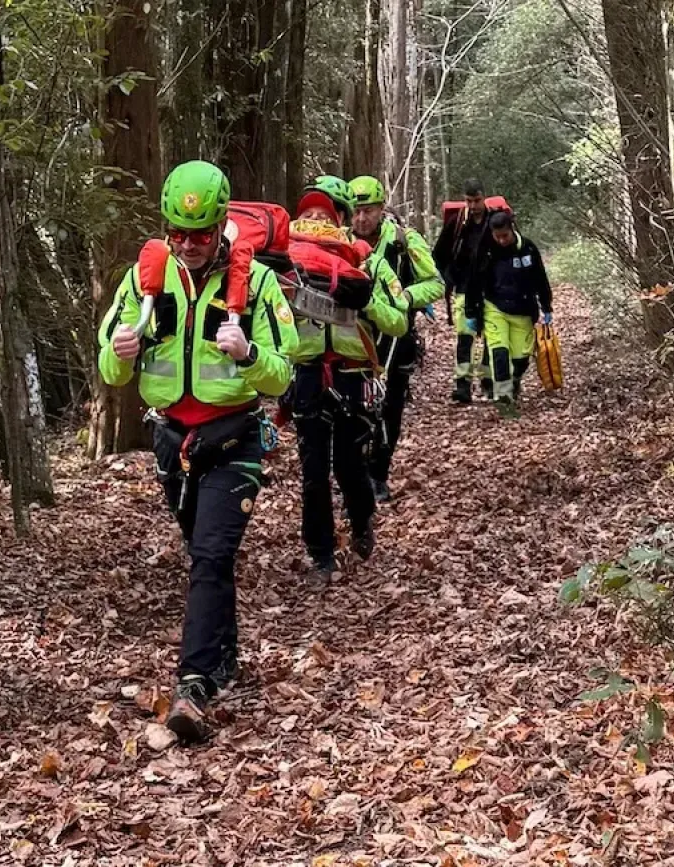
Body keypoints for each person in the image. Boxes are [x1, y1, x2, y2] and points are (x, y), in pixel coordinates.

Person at [98, 160, 299, 743]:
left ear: (219, 229)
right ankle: (225, 656)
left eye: (201, 234)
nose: (188, 245)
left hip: (234, 439)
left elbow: (283, 377)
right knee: (203, 554)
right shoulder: (143, 281)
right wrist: (122, 348)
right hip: (171, 442)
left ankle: (193, 685)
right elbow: (111, 370)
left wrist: (248, 355)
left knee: (210, 557)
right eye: (178, 234)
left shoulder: (256, 284)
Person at [289, 177, 407, 584]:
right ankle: (320, 554)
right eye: (308, 213)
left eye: (325, 213)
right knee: (314, 470)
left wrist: (364, 296)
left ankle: (361, 523)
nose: (316, 219)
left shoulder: (368, 260)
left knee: (350, 466)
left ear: (340, 217)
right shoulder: (287, 264)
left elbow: (398, 319)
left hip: (354, 376)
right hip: (306, 374)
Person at [348, 175, 444, 503]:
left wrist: (404, 296)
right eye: (356, 211)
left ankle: (378, 473)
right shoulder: (340, 242)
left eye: (368, 210)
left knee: (389, 407)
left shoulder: (404, 240)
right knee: (353, 407)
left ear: (381, 208)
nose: (362, 218)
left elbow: (435, 283)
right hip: (353, 340)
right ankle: (354, 470)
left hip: (395, 340)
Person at [466, 210, 553, 418]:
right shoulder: (486, 250)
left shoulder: (528, 249)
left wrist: (546, 306)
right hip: (494, 308)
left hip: (523, 311)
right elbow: (474, 281)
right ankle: (503, 398)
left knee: (521, 358)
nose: (501, 240)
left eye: (505, 235)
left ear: (512, 229)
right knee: (499, 353)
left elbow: (540, 278)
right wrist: (471, 311)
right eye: (497, 236)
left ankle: (514, 383)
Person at [434, 178, 495, 404]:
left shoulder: (495, 221)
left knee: (491, 338)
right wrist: (451, 277)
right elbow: (438, 254)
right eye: (468, 201)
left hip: (491, 291)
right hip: (464, 290)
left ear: (484, 197)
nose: (472, 205)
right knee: (465, 339)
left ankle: (488, 383)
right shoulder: (457, 223)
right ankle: (463, 386)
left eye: (476, 200)